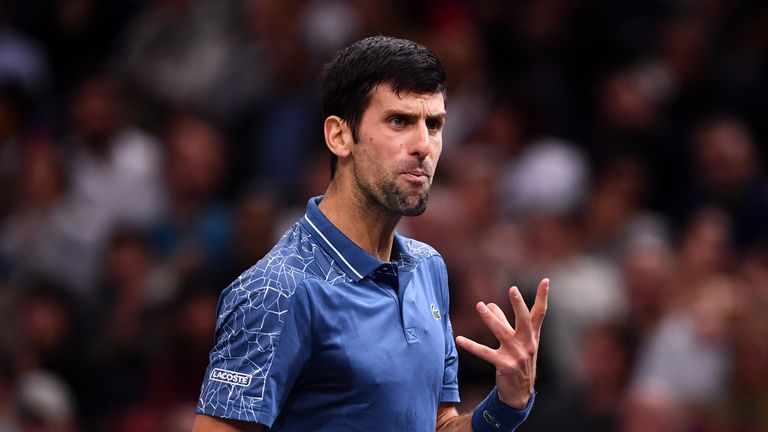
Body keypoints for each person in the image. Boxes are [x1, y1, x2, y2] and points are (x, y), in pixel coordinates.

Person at [192, 35, 549, 432]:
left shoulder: (429, 268)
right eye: (399, 121)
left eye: (434, 124)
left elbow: (438, 424)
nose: (423, 145)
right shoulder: (276, 291)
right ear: (340, 136)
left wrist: (506, 405)